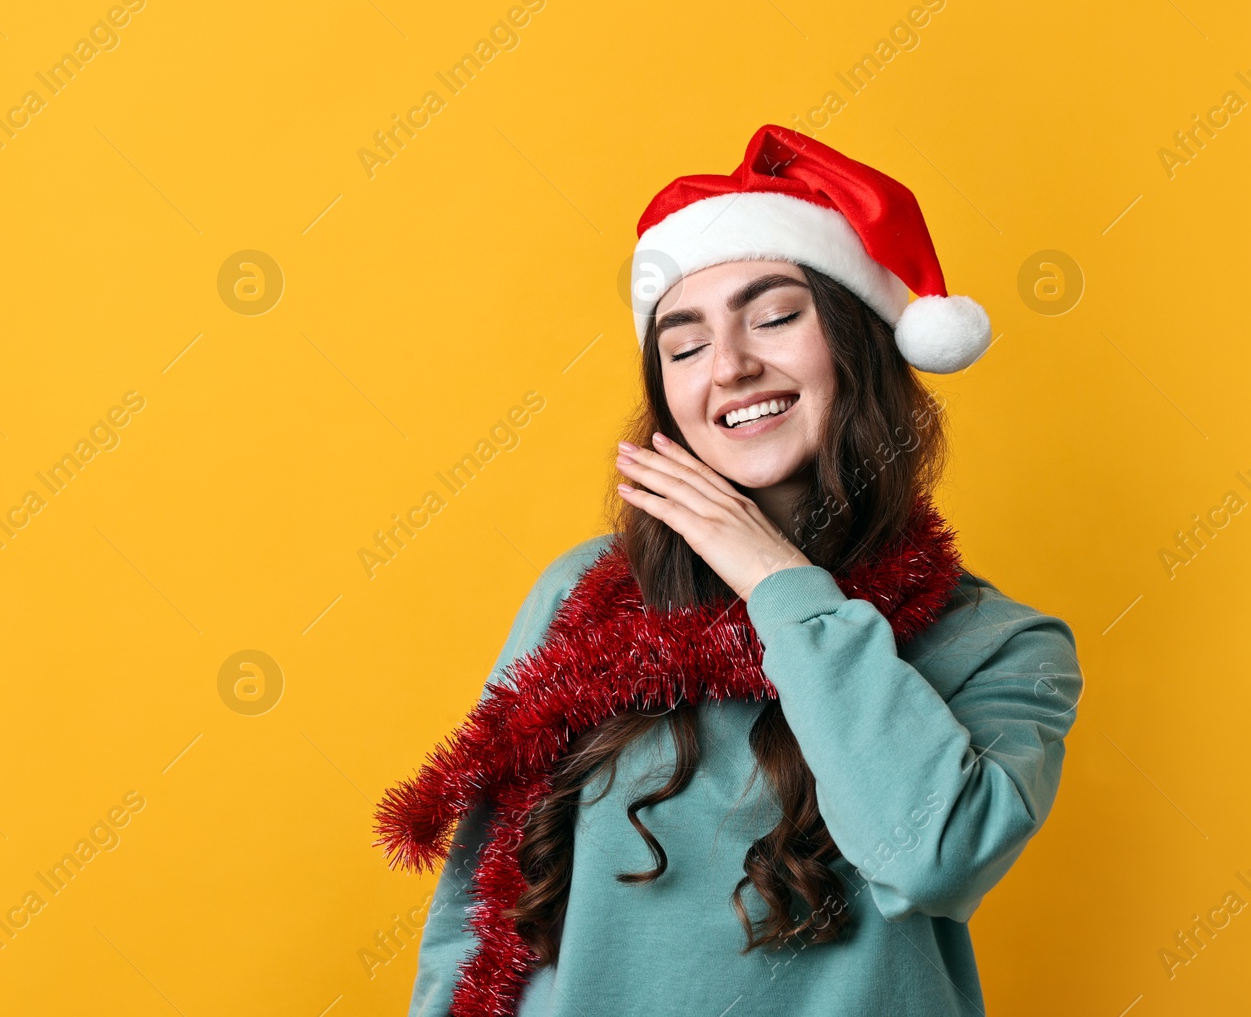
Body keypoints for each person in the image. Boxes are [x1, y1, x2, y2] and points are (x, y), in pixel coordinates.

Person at [376, 124, 1083, 1017]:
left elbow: (935, 856)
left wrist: (778, 585)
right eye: (684, 345)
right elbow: (478, 920)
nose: (732, 366)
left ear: (860, 344)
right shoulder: (583, 595)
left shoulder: (1001, 645)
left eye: (776, 315)